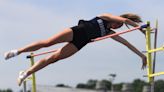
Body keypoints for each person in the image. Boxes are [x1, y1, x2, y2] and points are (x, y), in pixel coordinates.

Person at [4, 13, 147, 86]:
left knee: (54, 59)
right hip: (76, 31)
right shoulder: (105, 16)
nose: (117, 28)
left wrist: (141, 55)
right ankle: (17, 51)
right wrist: (138, 27)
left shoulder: (109, 33)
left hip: (80, 42)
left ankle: (25, 73)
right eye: (118, 25)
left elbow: (126, 43)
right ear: (117, 20)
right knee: (48, 43)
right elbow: (125, 21)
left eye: (119, 28)